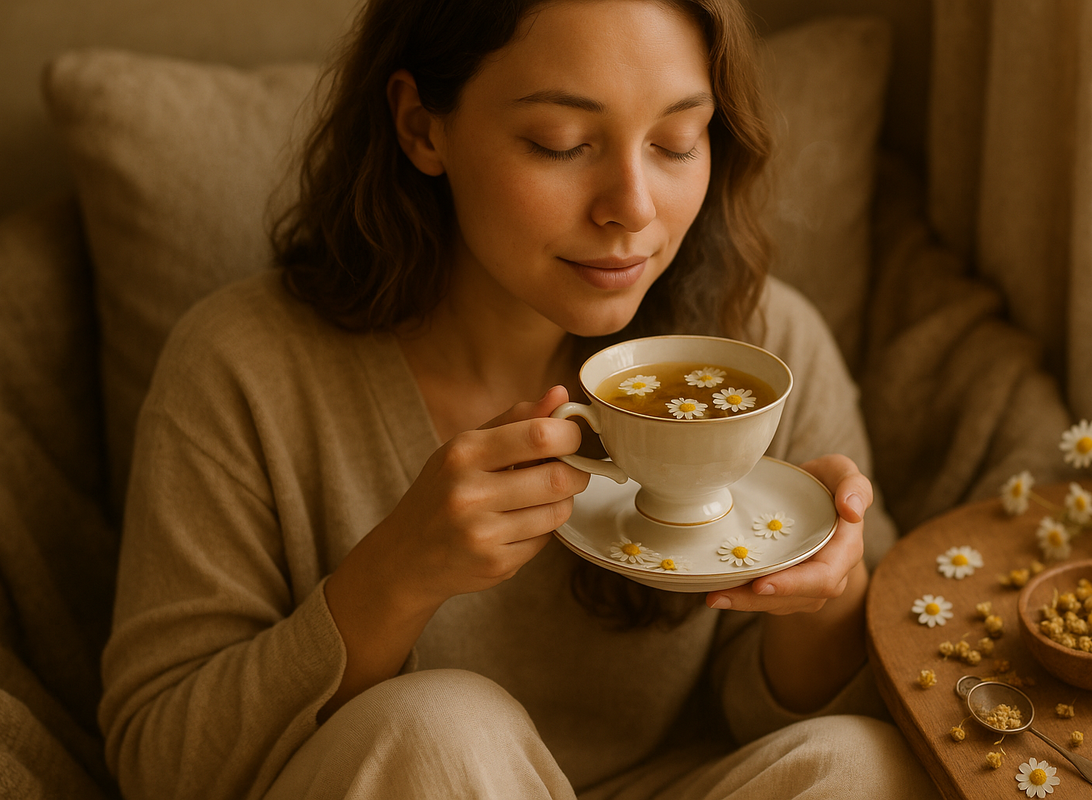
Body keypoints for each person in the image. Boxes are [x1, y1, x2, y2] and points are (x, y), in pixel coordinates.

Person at [98, 0, 939, 798]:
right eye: (561, 142)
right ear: (421, 126)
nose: (633, 209)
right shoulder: (244, 365)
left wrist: (823, 598)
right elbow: (162, 765)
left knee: (859, 763)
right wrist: (394, 576)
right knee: (441, 730)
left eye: (677, 142)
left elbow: (861, 708)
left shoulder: (761, 354)